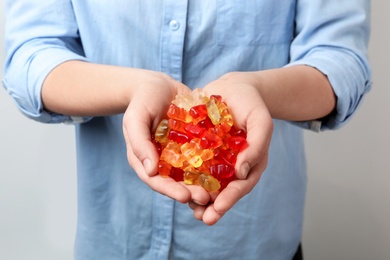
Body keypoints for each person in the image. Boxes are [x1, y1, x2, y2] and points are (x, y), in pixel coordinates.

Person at [3, 1, 371, 259]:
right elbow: (29, 55)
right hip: (114, 240)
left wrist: (258, 89)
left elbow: (340, 59)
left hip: (255, 244)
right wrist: (132, 89)